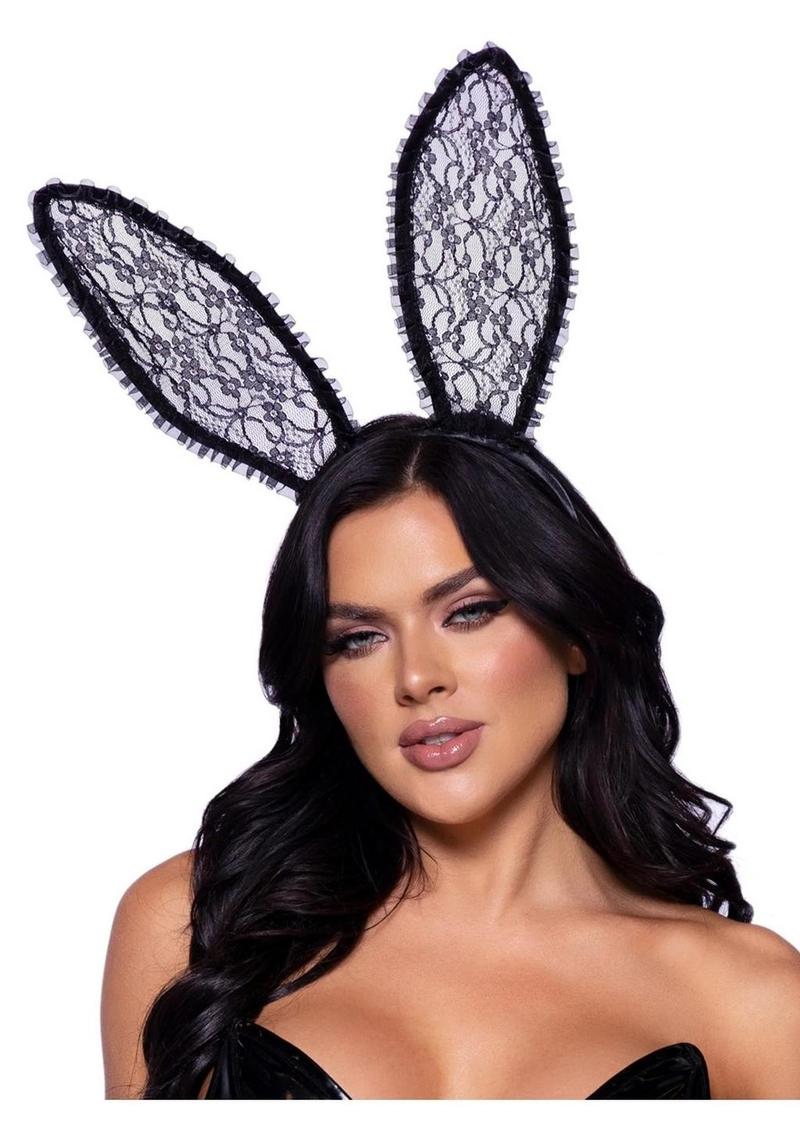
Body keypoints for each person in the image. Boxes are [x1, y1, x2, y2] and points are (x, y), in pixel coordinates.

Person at [28, 44, 800, 1101]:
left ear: (575, 629)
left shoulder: (749, 999)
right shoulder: (193, 926)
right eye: (358, 637)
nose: (416, 678)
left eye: (468, 611)